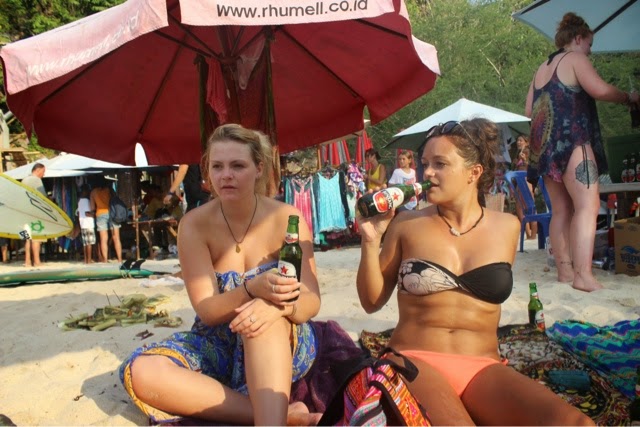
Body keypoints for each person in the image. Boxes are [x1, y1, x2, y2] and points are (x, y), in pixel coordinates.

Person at [356, 118, 595, 426]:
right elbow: (371, 301)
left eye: (440, 164)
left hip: (482, 367)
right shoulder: (407, 224)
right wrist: (370, 240)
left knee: (575, 423)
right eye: (425, 164)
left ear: (474, 172)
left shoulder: (507, 227)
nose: (427, 173)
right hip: (415, 358)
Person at [119, 124, 322, 426]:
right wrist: (251, 289)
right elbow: (207, 310)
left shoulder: (286, 218)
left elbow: (311, 300)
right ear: (208, 172)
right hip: (218, 340)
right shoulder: (194, 225)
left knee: (260, 321)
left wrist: (277, 307)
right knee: (143, 372)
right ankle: (284, 416)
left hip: (279, 336)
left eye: (237, 165)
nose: (226, 175)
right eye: (217, 166)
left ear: (259, 168)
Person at [525, 12, 639, 292]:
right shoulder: (575, 58)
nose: (590, 51)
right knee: (588, 207)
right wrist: (628, 98)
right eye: (589, 44)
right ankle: (584, 275)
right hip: (573, 140)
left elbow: (529, 110)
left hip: (545, 147)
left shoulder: (541, 68)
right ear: (578, 39)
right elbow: (599, 90)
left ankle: (565, 273)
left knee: (561, 210)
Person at [89, 177, 122, 263]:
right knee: (116, 237)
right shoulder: (109, 190)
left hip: (100, 214)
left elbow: (92, 208)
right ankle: (120, 259)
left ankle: (105, 260)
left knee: (104, 239)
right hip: (112, 213)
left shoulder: (93, 192)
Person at [511, 135, 537, 239]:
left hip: (527, 181)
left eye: (521, 140)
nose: (518, 142)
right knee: (520, 208)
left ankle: (533, 235)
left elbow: (532, 166)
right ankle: (528, 234)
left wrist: (525, 160)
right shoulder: (517, 153)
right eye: (517, 140)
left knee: (530, 207)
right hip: (519, 181)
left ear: (526, 142)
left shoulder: (528, 152)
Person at [22, 162, 47, 267]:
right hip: (35, 212)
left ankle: (27, 261)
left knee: (27, 238)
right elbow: (43, 197)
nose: (44, 174)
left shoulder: (24, 180)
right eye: (43, 171)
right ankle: (37, 261)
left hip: (24, 213)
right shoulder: (36, 180)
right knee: (37, 237)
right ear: (38, 170)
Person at [76, 184, 95, 264]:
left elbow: (78, 213)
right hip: (88, 224)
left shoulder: (79, 201)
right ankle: (89, 260)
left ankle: (86, 260)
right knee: (89, 243)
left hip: (83, 224)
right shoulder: (87, 201)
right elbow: (87, 213)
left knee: (85, 243)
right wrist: (94, 215)